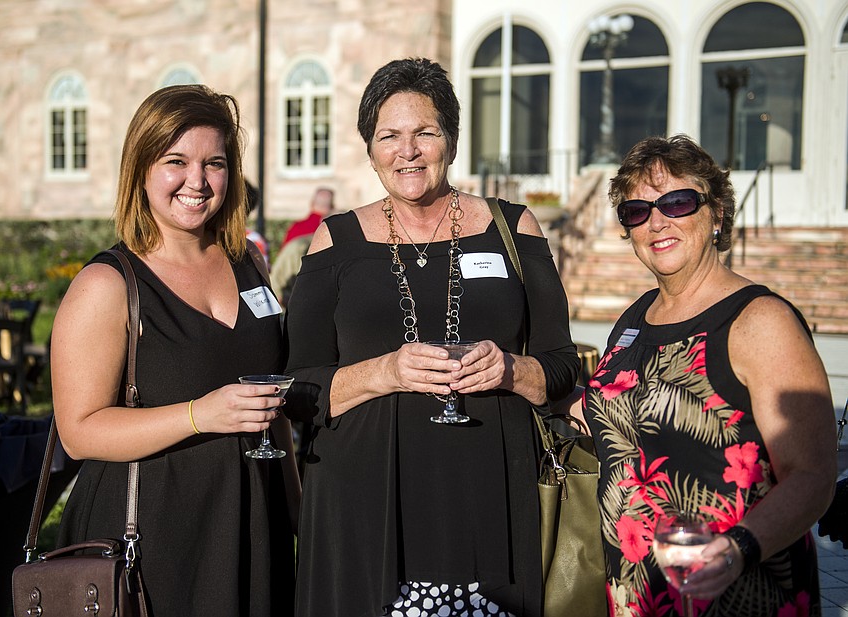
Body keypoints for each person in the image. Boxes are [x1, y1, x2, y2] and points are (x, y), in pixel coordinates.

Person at [283, 57, 581, 617]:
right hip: (363, 507)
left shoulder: (513, 228)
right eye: (389, 136)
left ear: (452, 140)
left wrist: (512, 370)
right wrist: (385, 372)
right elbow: (298, 389)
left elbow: (562, 365)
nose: (408, 151)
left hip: (489, 503)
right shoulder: (334, 241)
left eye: (425, 132)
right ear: (370, 148)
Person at [50, 84, 300, 616]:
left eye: (215, 163)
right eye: (176, 161)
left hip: (253, 522)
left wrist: (298, 513)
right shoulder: (108, 284)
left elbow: (270, 402)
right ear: (140, 169)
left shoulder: (248, 264)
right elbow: (78, 431)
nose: (198, 181)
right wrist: (199, 414)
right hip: (152, 536)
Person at [577, 134, 836, 616]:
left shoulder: (760, 321)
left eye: (676, 202)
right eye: (637, 211)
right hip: (637, 596)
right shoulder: (635, 318)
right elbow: (620, 417)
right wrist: (517, 377)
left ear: (716, 212)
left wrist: (739, 548)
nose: (656, 221)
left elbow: (813, 475)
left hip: (735, 591)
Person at [270, 187, 335, 305]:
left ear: (312, 203)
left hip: (291, 290)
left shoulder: (296, 227)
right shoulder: (330, 230)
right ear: (332, 206)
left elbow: (283, 259)